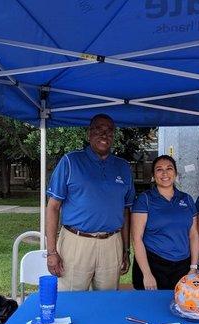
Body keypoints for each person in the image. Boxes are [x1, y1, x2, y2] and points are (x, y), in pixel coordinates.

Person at [45, 114, 135, 291]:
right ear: (89, 134)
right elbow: (53, 207)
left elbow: (126, 211)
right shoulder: (70, 161)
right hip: (76, 242)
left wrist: (125, 250)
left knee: (106, 303)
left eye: (109, 131)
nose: (104, 135)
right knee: (71, 302)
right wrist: (51, 252)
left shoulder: (123, 167)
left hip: (112, 243)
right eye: (99, 130)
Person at [131, 155, 199, 290]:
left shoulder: (187, 199)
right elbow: (136, 238)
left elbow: (194, 234)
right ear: (153, 175)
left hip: (182, 266)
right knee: (150, 308)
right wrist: (147, 274)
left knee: (181, 306)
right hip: (153, 264)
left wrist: (193, 267)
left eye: (169, 168)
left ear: (175, 173)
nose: (165, 173)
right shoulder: (145, 199)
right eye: (159, 169)